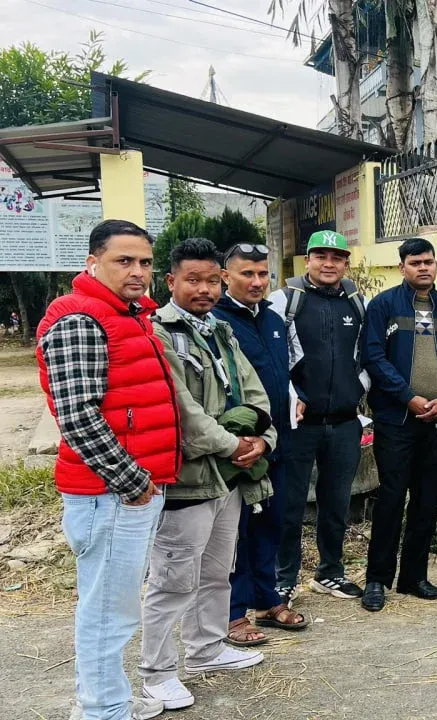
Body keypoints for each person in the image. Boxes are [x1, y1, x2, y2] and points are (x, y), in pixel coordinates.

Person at [37, 219, 178, 720]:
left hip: (127, 491)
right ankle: (103, 710)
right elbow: (78, 414)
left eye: (145, 262)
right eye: (124, 261)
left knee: (114, 606)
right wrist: (133, 481)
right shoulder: (79, 318)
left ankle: (105, 699)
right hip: (111, 493)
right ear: (93, 263)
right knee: (107, 612)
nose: (138, 271)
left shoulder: (127, 314)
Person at [140, 238, 276, 710]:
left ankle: (206, 648)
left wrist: (263, 440)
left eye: (212, 281)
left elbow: (255, 393)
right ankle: (157, 673)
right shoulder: (158, 332)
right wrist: (235, 445)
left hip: (230, 477)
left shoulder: (220, 330)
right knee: (173, 578)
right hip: (189, 479)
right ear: (170, 281)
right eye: (192, 280)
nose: (204, 290)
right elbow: (183, 412)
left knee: (218, 570)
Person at [361, 238, 437, 612]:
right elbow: (373, 357)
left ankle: (414, 577)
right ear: (402, 267)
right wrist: (407, 396)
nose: (423, 268)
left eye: (429, 262)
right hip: (397, 420)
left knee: (426, 501)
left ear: (436, 265)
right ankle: (377, 580)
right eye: (415, 262)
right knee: (391, 499)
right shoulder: (383, 305)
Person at [213, 244, 309, 645]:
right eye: (246, 274)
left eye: (263, 274)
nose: (257, 282)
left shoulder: (272, 317)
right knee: (236, 533)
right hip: (238, 447)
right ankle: (233, 614)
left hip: (277, 441)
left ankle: (268, 602)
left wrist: (297, 396)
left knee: (272, 523)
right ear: (225, 277)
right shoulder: (215, 320)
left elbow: (284, 371)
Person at [267, 230, 368, 602]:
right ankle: (284, 579)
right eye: (321, 256)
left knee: (336, 504)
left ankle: (330, 573)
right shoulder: (285, 300)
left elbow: (367, 354)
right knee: (290, 505)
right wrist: (290, 395)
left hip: (344, 422)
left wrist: (359, 389)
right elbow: (272, 356)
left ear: (346, 263)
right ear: (307, 259)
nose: (329, 264)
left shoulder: (357, 303)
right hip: (298, 425)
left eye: (337, 257)